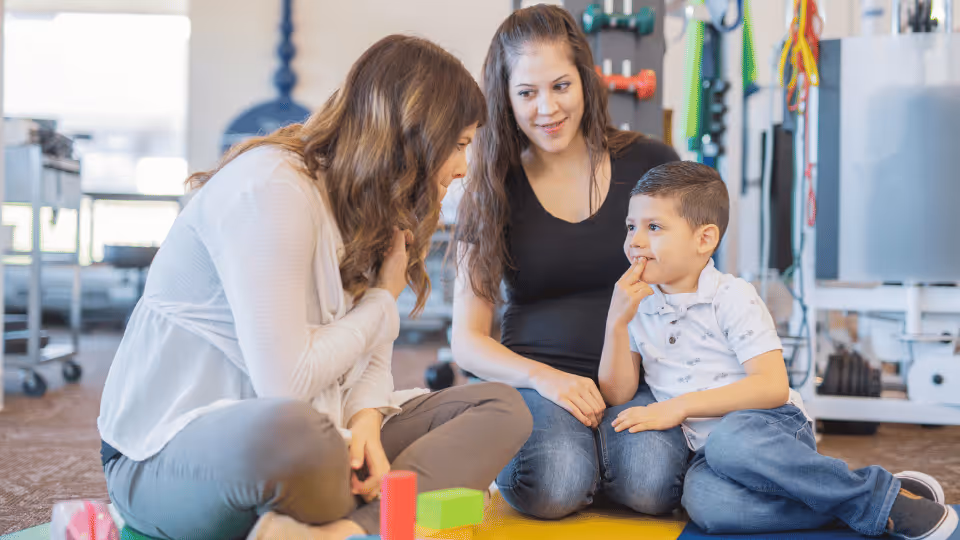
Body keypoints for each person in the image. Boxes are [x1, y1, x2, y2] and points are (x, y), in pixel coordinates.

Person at [97, 35, 532, 540]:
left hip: (324, 432)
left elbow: (371, 356)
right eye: (458, 145)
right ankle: (382, 507)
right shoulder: (273, 188)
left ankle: (342, 529)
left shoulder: (371, 205)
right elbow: (288, 382)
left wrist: (367, 421)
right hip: (165, 454)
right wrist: (381, 299)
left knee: (501, 408)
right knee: (301, 438)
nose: (462, 168)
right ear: (413, 135)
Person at [601, 160, 958, 539]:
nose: (635, 241)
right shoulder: (637, 303)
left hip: (767, 430)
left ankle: (877, 500)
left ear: (704, 239)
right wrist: (615, 322)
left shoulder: (731, 296)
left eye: (653, 227)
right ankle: (880, 500)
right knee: (708, 506)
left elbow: (770, 386)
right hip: (706, 452)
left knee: (730, 441)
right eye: (630, 226)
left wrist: (678, 406)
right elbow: (618, 392)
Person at [452, 5, 688, 520]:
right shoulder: (491, 186)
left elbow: (696, 285)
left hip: (637, 381)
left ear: (585, 81)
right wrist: (545, 379)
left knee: (652, 484)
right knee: (554, 482)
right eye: (527, 93)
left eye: (560, 86)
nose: (547, 108)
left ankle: (600, 456)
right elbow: (466, 339)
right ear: (505, 99)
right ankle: (580, 461)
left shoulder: (650, 163)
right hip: (535, 381)